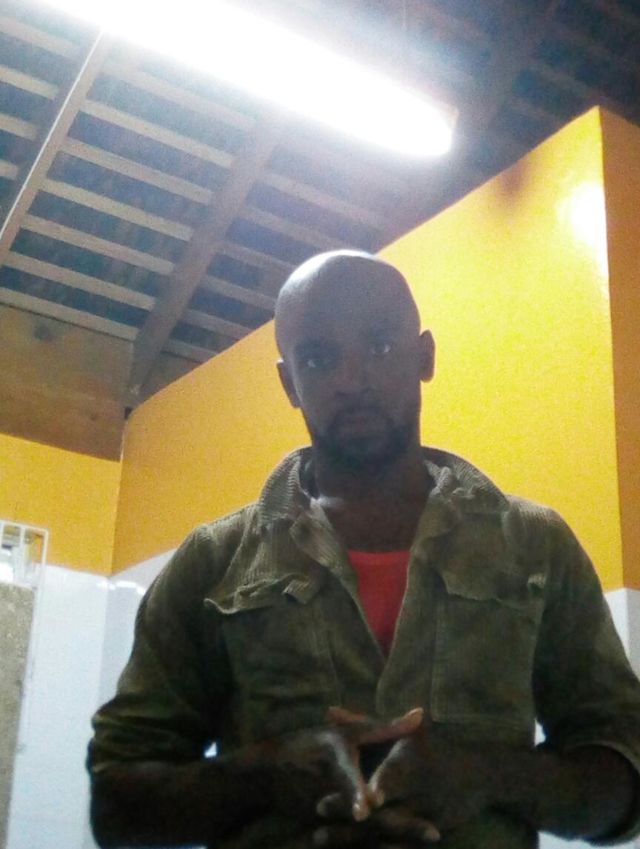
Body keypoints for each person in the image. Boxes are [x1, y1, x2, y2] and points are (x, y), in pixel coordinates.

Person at [88, 251, 640, 849]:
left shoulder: (534, 546)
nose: (351, 381)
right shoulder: (214, 562)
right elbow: (115, 805)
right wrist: (263, 776)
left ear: (424, 356)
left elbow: (625, 777)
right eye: (317, 358)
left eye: (379, 345)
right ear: (289, 383)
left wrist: (486, 775)